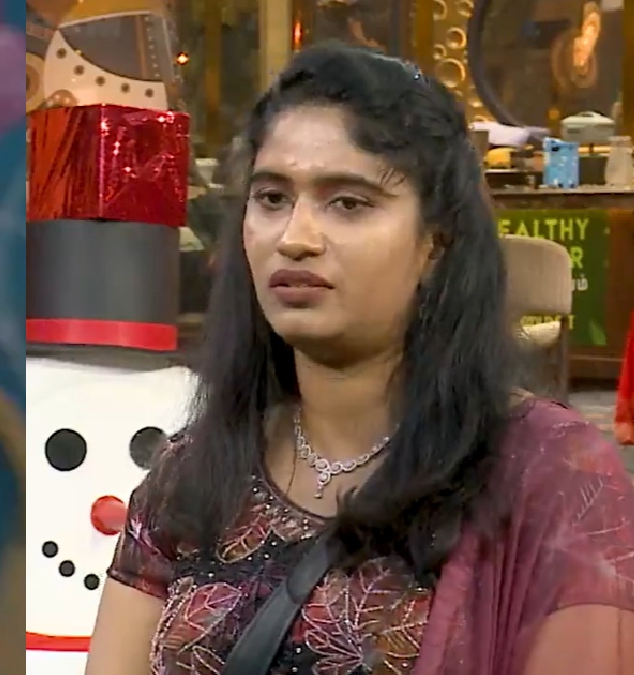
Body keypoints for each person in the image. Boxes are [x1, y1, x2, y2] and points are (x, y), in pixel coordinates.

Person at [86, 43, 634, 675]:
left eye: (347, 202)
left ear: (436, 243)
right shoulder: (190, 474)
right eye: (272, 198)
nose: (295, 237)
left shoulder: (555, 477)